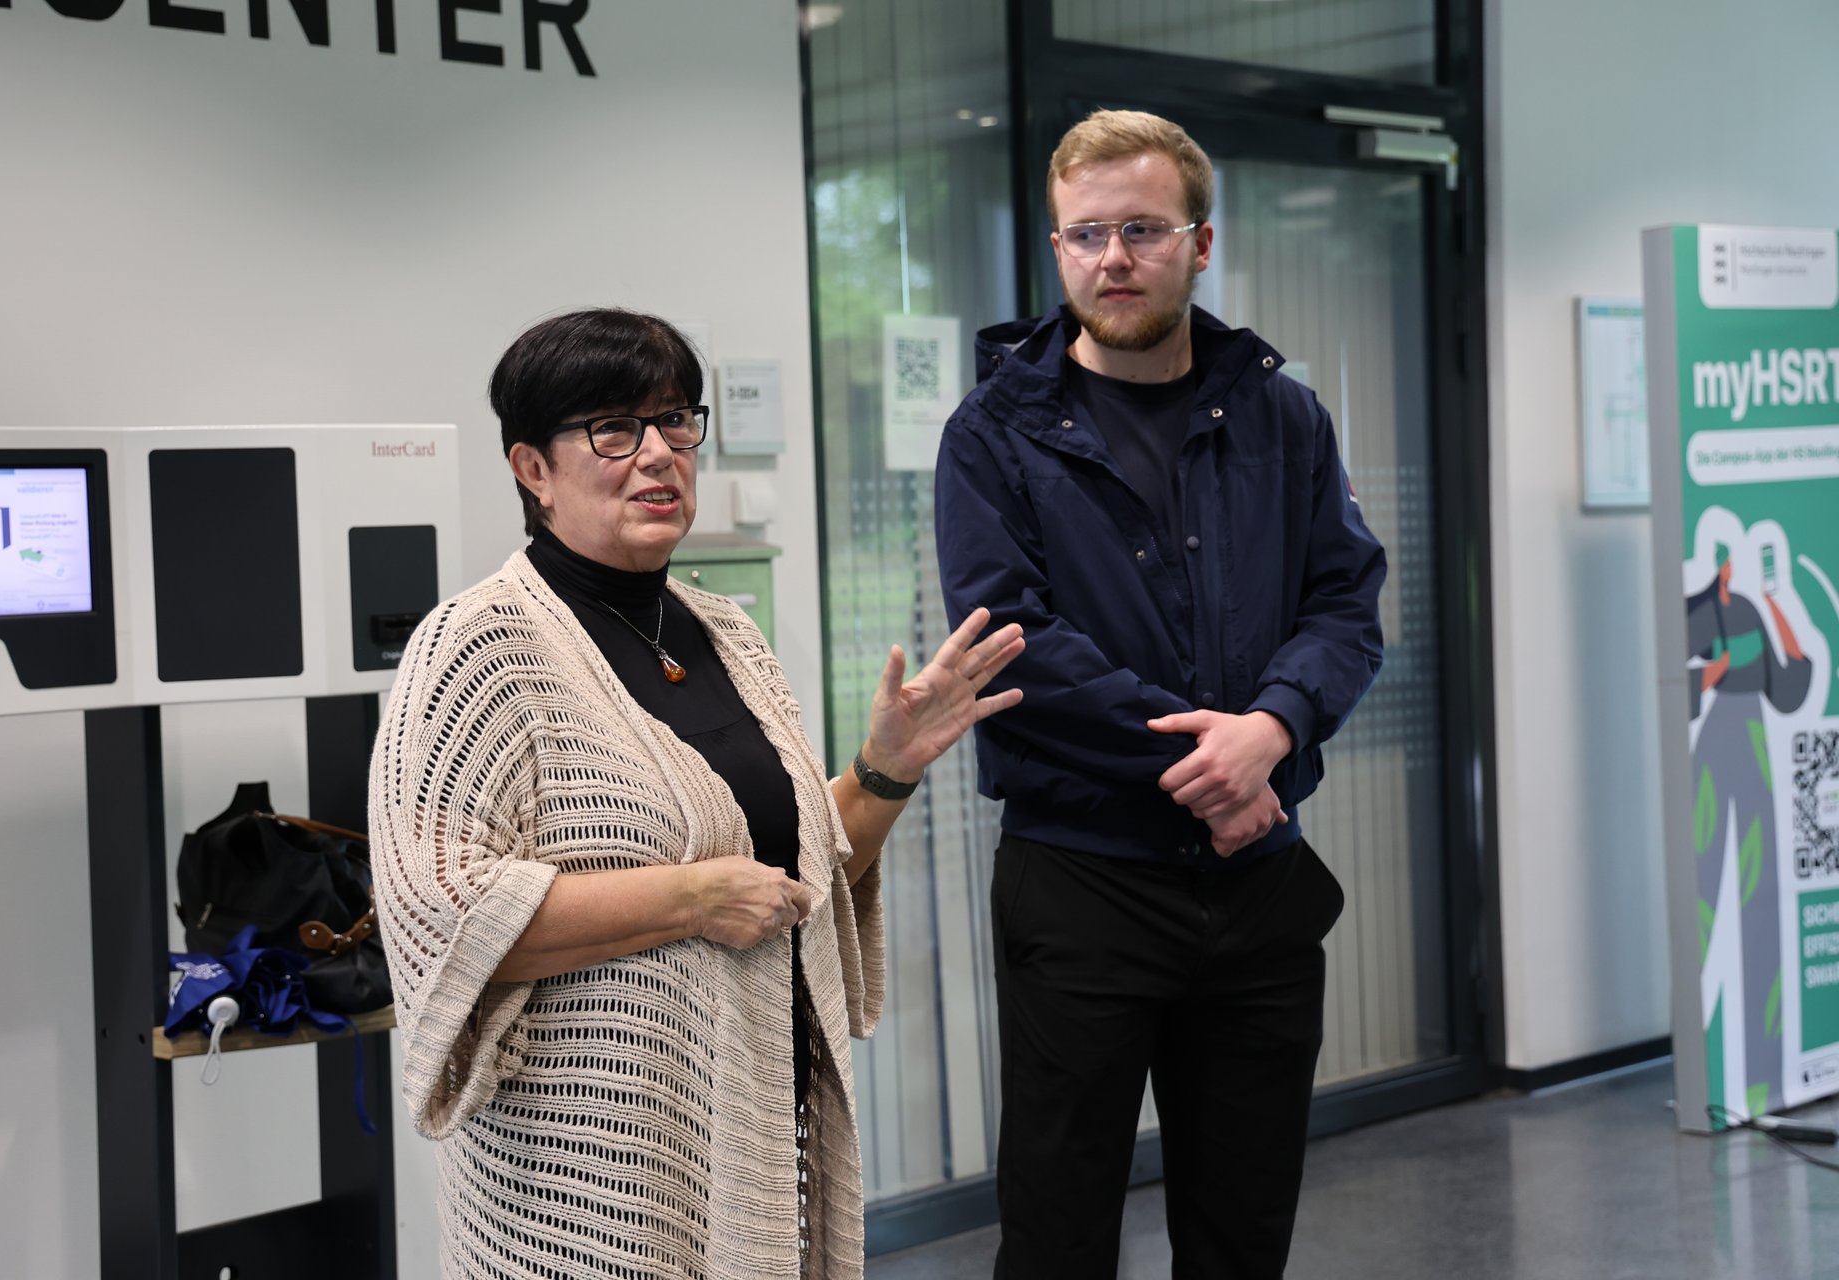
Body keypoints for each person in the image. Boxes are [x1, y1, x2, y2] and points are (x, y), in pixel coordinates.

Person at [369, 307, 1024, 1280]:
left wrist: (886, 766)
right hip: (582, 1180)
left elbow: (800, 874)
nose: (657, 454)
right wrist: (690, 897)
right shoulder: (477, 644)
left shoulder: (726, 632)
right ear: (532, 468)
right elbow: (441, 909)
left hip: (748, 1134)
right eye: (613, 428)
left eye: (676, 420)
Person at [934, 109, 1386, 1278]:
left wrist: (1272, 726)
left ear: (1201, 243)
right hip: (1082, 882)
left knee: (1244, 1231)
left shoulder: (1283, 415)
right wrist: (1218, 767)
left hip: (1256, 887)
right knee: (1058, 1233)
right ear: (1057, 248)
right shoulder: (993, 435)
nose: (1114, 258)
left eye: (1143, 229)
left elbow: (1346, 603)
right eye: (1086, 234)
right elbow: (1013, 643)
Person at [1685, 534, 1812, 1116]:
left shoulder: (1755, 610)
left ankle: (1763, 1075)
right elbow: (1680, 684)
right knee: (1705, 899)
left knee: (1762, 903)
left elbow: (1790, 685)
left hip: (1757, 750)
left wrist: (1778, 601)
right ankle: (1704, 1074)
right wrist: (1714, 672)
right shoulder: (1698, 611)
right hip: (1715, 753)